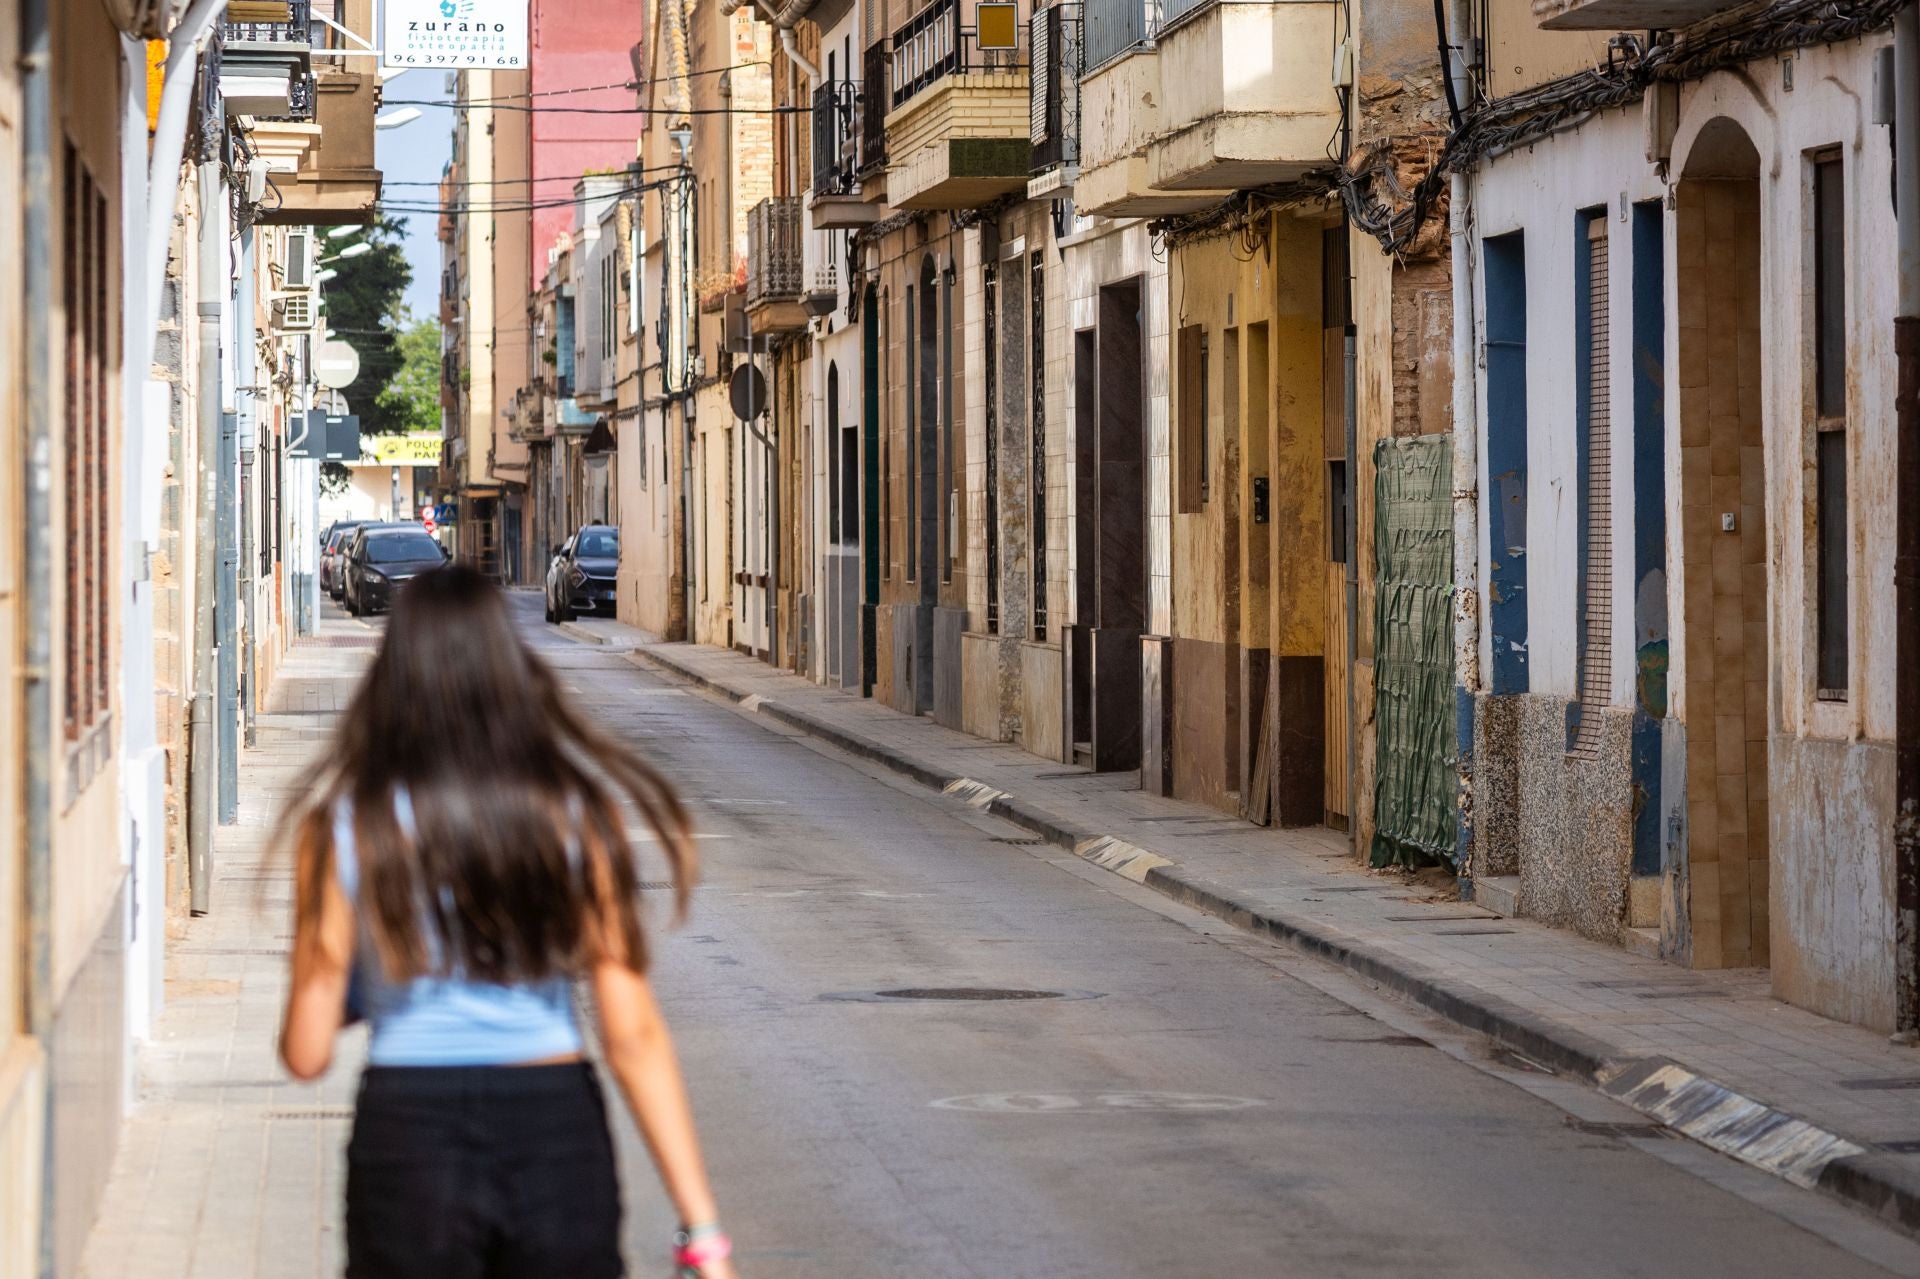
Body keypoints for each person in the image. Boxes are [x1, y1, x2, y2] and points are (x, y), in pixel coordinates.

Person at [277, 565, 737, 1279]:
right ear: (508, 665)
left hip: (408, 1137)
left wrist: (371, 983)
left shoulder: (342, 826)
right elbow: (632, 1034)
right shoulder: (576, 815)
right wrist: (702, 1232)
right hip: (552, 1133)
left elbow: (305, 1051)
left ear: (394, 674)